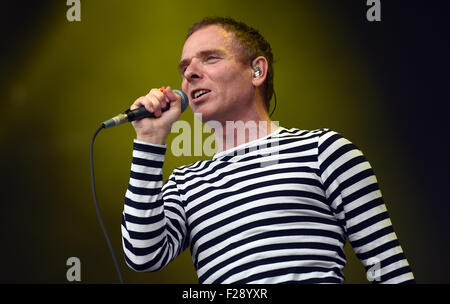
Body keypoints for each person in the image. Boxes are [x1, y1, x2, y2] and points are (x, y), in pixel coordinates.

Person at [121, 17, 415, 284]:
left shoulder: (323, 152)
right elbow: (143, 256)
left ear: (257, 70)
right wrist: (149, 140)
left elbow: (389, 269)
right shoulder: (185, 183)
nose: (190, 74)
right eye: (184, 68)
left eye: (210, 58)